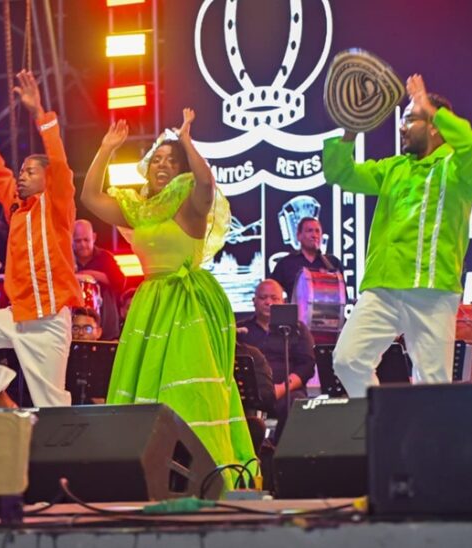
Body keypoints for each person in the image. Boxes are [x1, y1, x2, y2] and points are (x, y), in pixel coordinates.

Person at [81, 108, 257, 485]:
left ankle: (208, 478)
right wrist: (106, 148)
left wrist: (187, 142)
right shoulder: (140, 211)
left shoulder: (191, 205)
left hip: (188, 303)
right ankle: (149, 479)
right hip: (150, 304)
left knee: (188, 390)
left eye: (171, 160)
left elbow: (207, 183)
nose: (162, 164)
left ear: (181, 170)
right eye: (157, 159)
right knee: (148, 392)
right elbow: (90, 197)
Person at [322, 74, 472, 397]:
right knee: (347, 359)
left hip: (431, 291)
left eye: (411, 119)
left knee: (433, 384)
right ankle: (382, 419)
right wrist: (350, 130)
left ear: (435, 127)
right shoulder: (394, 168)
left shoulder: (459, 170)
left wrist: (430, 107)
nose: (402, 127)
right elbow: (340, 173)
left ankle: (427, 433)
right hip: (383, 287)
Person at [0, 69, 82, 409]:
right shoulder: (16, 207)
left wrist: (39, 113)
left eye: (30, 172)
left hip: (49, 322)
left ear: (47, 179)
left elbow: (60, 164)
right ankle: (0, 398)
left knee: (51, 409)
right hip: (17, 316)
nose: (21, 176)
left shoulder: (57, 204)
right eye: (21, 171)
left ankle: (60, 446)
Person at [236, 279, 315, 442]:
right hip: (250, 393)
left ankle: (278, 450)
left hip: (287, 391)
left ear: (283, 302)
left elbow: (306, 367)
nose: (268, 302)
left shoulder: (297, 329)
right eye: (263, 298)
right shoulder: (241, 330)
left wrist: (281, 388)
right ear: (254, 301)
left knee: (296, 404)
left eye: (274, 298)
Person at [72, 219, 126, 339]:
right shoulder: (66, 259)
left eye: (86, 240)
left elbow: (120, 282)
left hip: (106, 324)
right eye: (77, 241)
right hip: (74, 327)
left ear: (94, 237)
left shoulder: (105, 258)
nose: (82, 245)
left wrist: (90, 275)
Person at [269, 217, 342, 300]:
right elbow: (270, 290)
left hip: (328, 308)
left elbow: (343, 296)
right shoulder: (286, 263)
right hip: (296, 308)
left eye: (317, 231)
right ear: (298, 236)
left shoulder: (333, 263)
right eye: (309, 231)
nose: (314, 235)